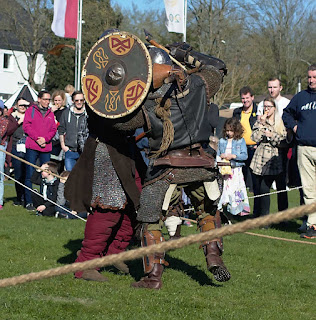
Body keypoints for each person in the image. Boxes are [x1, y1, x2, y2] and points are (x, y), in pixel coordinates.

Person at [132, 42, 230, 289]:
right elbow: (217, 67)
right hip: (201, 163)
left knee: (150, 220)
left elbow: (120, 124)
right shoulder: (200, 85)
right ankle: (213, 256)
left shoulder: (143, 98)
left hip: (167, 168)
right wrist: (184, 54)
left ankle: (153, 277)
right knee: (207, 213)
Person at [282, 64, 316, 239]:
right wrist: (295, 127)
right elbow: (286, 113)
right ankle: (313, 225)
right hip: (304, 148)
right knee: (309, 189)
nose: (311, 80)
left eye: (314, 77)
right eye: (309, 77)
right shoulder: (300, 97)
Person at [250, 97, 286, 221]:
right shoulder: (260, 121)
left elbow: (282, 139)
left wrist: (272, 135)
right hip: (259, 158)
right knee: (258, 188)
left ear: (274, 108)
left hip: (273, 158)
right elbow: (254, 137)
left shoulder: (279, 122)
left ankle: (269, 218)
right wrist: (261, 124)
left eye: (269, 107)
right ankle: (258, 215)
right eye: (265, 106)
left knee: (267, 187)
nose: (266, 109)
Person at [257, 77, 290, 213]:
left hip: (281, 148)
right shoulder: (261, 105)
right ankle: (263, 215)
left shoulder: (287, 103)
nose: (272, 90)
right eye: (270, 87)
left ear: (280, 88)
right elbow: (259, 127)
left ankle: (283, 217)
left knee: (282, 185)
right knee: (264, 186)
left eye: (275, 87)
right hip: (265, 150)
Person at [23, 90, 57, 211]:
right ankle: (29, 202)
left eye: (49, 99)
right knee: (30, 174)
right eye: (45, 99)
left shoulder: (50, 113)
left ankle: (44, 201)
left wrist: (45, 139)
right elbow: (26, 126)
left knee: (47, 174)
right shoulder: (31, 111)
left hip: (46, 147)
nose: (47, 102)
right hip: (33, 146)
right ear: (39, 99)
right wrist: (37, 139)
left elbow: (53, 129)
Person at [233, 86, 259, 217]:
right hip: (240, 150)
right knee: (238, 181)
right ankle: (239, 210)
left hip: (255, 150)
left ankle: (257, 211)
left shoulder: (258, 111)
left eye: (247, 98)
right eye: (243, 98)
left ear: (252, 98)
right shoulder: (237, 112)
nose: (245, 101)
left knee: (256, 183)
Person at [217, 118, 250, 217]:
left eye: (231, 130)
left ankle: (236, 211)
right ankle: (223, 212)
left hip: (235, 170)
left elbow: (245, 156)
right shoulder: (222, 141)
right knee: (223, 191)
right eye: (227, 130)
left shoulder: (240, 141)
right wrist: (220, 158)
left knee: (235, 190)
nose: (229, 133)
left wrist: (233, 156)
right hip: (224, 170)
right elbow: (218, 155)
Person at [58, 91, 87, 171]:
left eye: (81, 100)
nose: (79, 102)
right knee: (69, 177)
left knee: (82, 176)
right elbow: (61, 129)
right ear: (73, 101)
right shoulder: (66, 113)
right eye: (77, 100)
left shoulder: (87, 114)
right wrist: (63, 146)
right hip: (70, 150)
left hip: (84, 151)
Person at [10, 97, 30, 206]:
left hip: (28, 146)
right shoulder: (12, 117)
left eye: (24, 105)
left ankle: (27, 198)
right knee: (18, 173)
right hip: (16, 146)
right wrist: (18, 122)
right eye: (20, 105)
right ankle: (19, 197)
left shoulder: (30, 115)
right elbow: (9, 130)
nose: (23, 107)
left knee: (27, 173)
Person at [0, 99, 19, 210]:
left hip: (1, 148)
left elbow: (1, 133)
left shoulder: (4, 121)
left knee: (0, 176)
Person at [50, 90, 67, 170]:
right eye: (55, 100)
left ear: (63, 101)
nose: (57, 102)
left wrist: (56, 123)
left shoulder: (66, 111)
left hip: (61, 140)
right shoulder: (51, 111)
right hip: (52, 139)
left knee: (59, 164)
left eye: (59, 100)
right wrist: (51, 112)